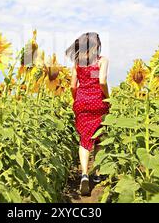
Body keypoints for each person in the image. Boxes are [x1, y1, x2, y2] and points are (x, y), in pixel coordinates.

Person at [65, 32, 110, 196]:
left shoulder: (78, 64)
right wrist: (108, 98)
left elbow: (72, 86)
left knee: (84, 139)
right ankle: (97, 174)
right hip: (98, 102)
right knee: (99, 137)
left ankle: (84, 174)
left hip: (82, 102)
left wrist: (77, 99)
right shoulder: (101, 61)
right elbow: (102, 81)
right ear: (96, 46)